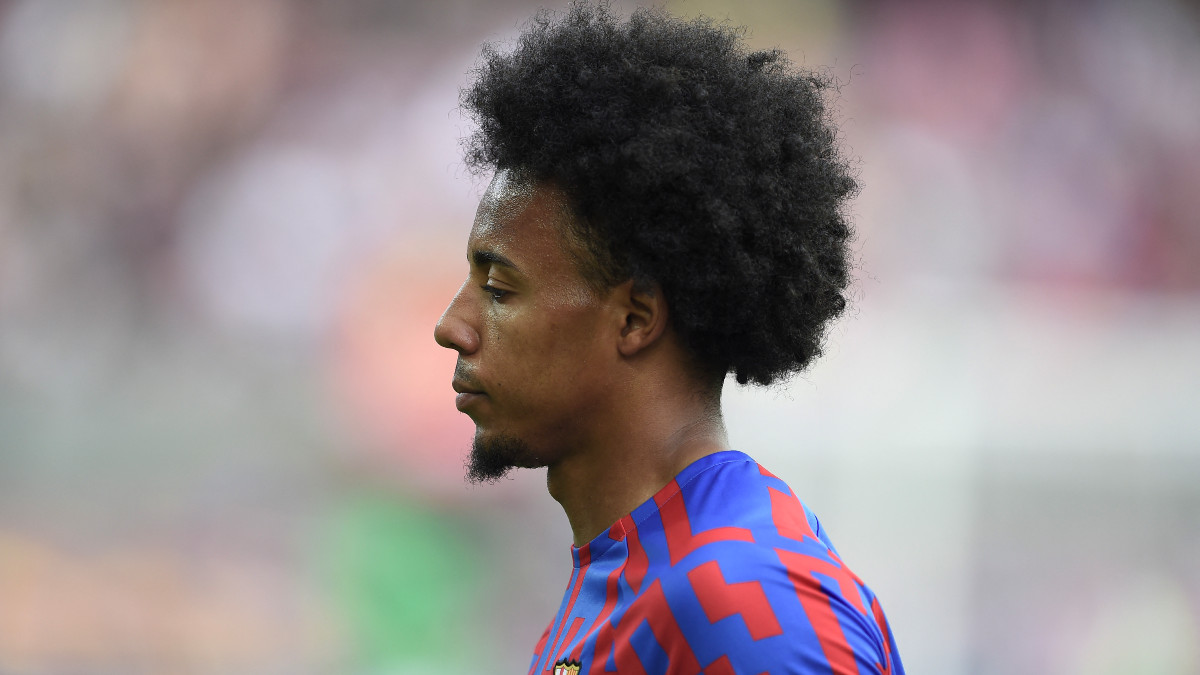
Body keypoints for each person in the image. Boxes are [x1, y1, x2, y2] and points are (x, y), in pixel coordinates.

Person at [433, 3, 904, 673]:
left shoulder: (744, 601)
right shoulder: (632, 571)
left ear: (634, 318)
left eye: (499, 288)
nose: (451, 326)